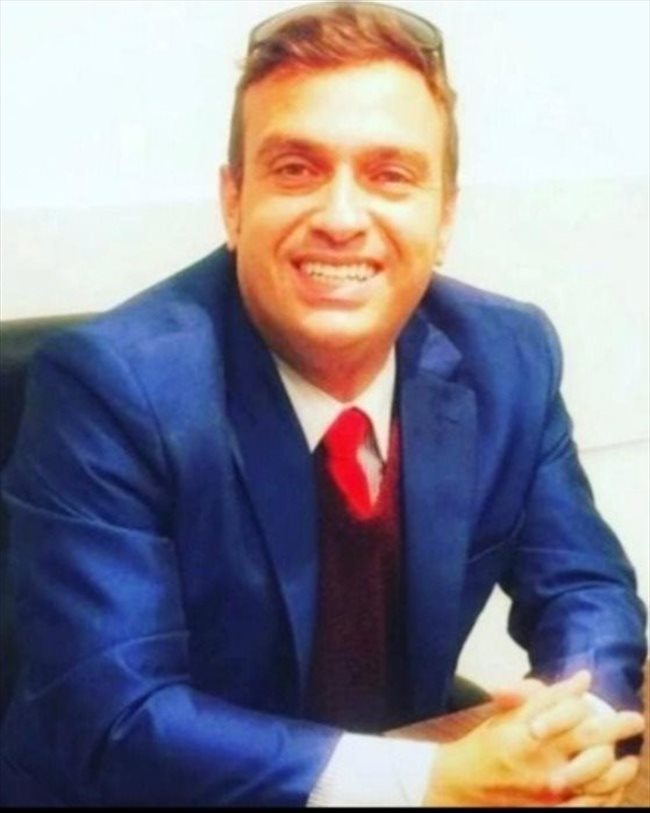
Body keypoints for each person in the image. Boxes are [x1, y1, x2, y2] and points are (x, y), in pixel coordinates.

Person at [0, 1, 646, 807]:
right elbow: (115, 718)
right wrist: (429, 780)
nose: (342, 218)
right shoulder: (108, 388)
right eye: (297, 169)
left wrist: (576, 729)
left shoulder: (507, 355)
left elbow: (586, 588)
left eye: (390, 174)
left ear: (444, 215)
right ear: (233, 202)